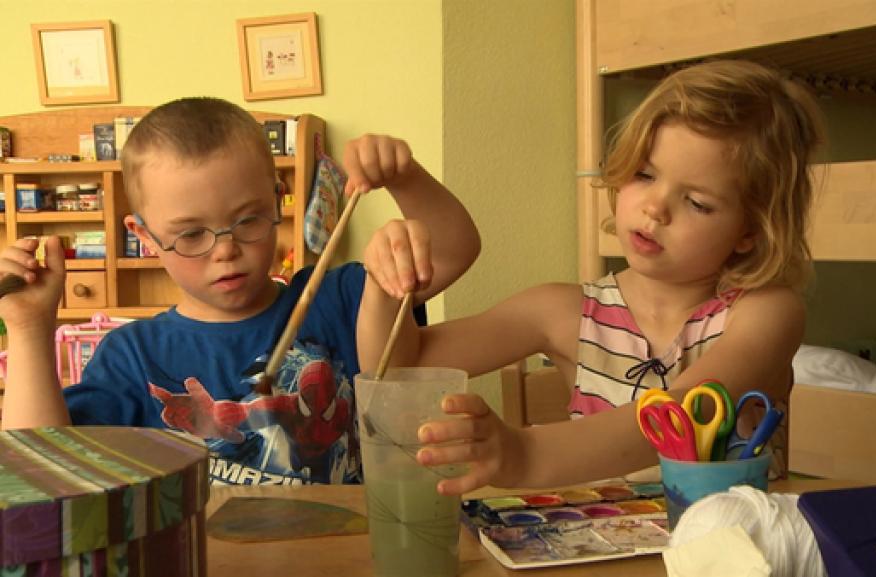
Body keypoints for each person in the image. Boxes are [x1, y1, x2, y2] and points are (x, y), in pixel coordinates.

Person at [357, 59, 825, 495]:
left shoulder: (767, 313)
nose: (655, 208)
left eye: (697, 202)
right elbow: (398, 370)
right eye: (644, 174)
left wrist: (525, 453)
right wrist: (383, 285)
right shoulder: (561, 312)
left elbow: (684, 411)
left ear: (750, 230)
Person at [0, 97, 480, 485]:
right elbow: (38, 470)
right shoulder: (132, 356)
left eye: (247, 220)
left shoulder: (337, 298)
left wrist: (404, 177)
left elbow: (453, 251)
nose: (225, 250)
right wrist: (26, 327)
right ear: (144, 238)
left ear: (277, 200)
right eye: (191, 235)